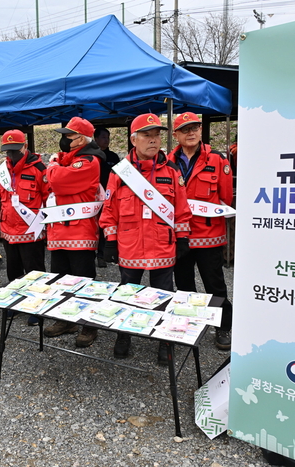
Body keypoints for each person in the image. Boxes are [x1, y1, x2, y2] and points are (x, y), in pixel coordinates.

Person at [100, 113, 192, 362]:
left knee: (164, 295)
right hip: (130, 246)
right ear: (133, 139)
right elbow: (109, 210)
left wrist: (183, 238)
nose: (153, 140)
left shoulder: (172, 171)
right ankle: (124, 334)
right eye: (146, 135)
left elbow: (182, 209)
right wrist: (110, 240)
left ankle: (164, 340)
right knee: (127, 294)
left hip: (163, 244)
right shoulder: (120, 172)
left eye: (157, 135)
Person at [168, 112, 234, 350]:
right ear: (175, 135)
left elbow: (225, 197)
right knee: (184, 284)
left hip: (209, 236)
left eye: (195, 128)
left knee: (214, 284)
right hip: (180, 236)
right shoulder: (168, 161)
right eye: (185, 129)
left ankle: (223, 327)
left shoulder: (217, 159)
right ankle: (190, 324)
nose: (191, 133)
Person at [42, 116, 105, 347]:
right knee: (61, 281)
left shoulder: (89, 160)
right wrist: (57, 164)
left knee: (84, 281)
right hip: (59, 231)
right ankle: (65, 320)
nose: (64, 140)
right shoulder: (68, 159)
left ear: (81, 139)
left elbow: (58, 181)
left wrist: (53, 165)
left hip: (80, 232)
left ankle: (89, 324)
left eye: (68, 136)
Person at [0, 129, 50, 324]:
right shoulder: (2, 170)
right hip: (8, 231)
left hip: (30, 230)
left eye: (15, 149)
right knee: (13, 271)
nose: (11, 154)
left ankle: (37, 306)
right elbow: (0, 198)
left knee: (35, 271)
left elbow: (48, 199)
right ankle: (16, 303)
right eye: (8, 150)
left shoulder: (39, 169)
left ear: (25, 146)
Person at [93, 126, 121, 268]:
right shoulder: (92, 157)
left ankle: (103, 254)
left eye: (108, 137)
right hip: (93, 198)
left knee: (106, 225)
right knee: (94, 227)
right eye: (103, 137)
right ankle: (94, 253)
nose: (106, 140)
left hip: (109, 198)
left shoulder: (113, 157)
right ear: (96, 139)